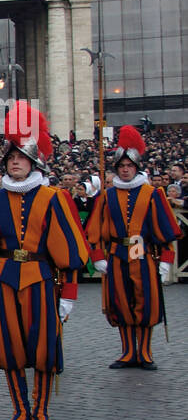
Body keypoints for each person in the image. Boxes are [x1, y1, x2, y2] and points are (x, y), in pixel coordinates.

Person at [0, 102, 88, 420]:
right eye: (10, 158)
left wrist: (69, 294)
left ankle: (41, 412)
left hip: (40, 279)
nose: (15, 162)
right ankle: (20, 412)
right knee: (10, 347)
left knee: (43, 348)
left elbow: (69, 251)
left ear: (34, 162)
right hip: (4, 278)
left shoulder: (54, 198)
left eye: (21, 158)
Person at [86, 125, 180, 370]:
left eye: (129, 166)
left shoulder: (152, 193)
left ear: (136, 168)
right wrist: (97, 256)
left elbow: (165, 230)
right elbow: (95, 229)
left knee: (145, 302)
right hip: (117, 253)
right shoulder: (107, 195)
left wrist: (166, 261)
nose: (125, 170)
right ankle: (128, 351)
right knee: (121, 302)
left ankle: (145, 352)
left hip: (142, 252)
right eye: (121, 167)